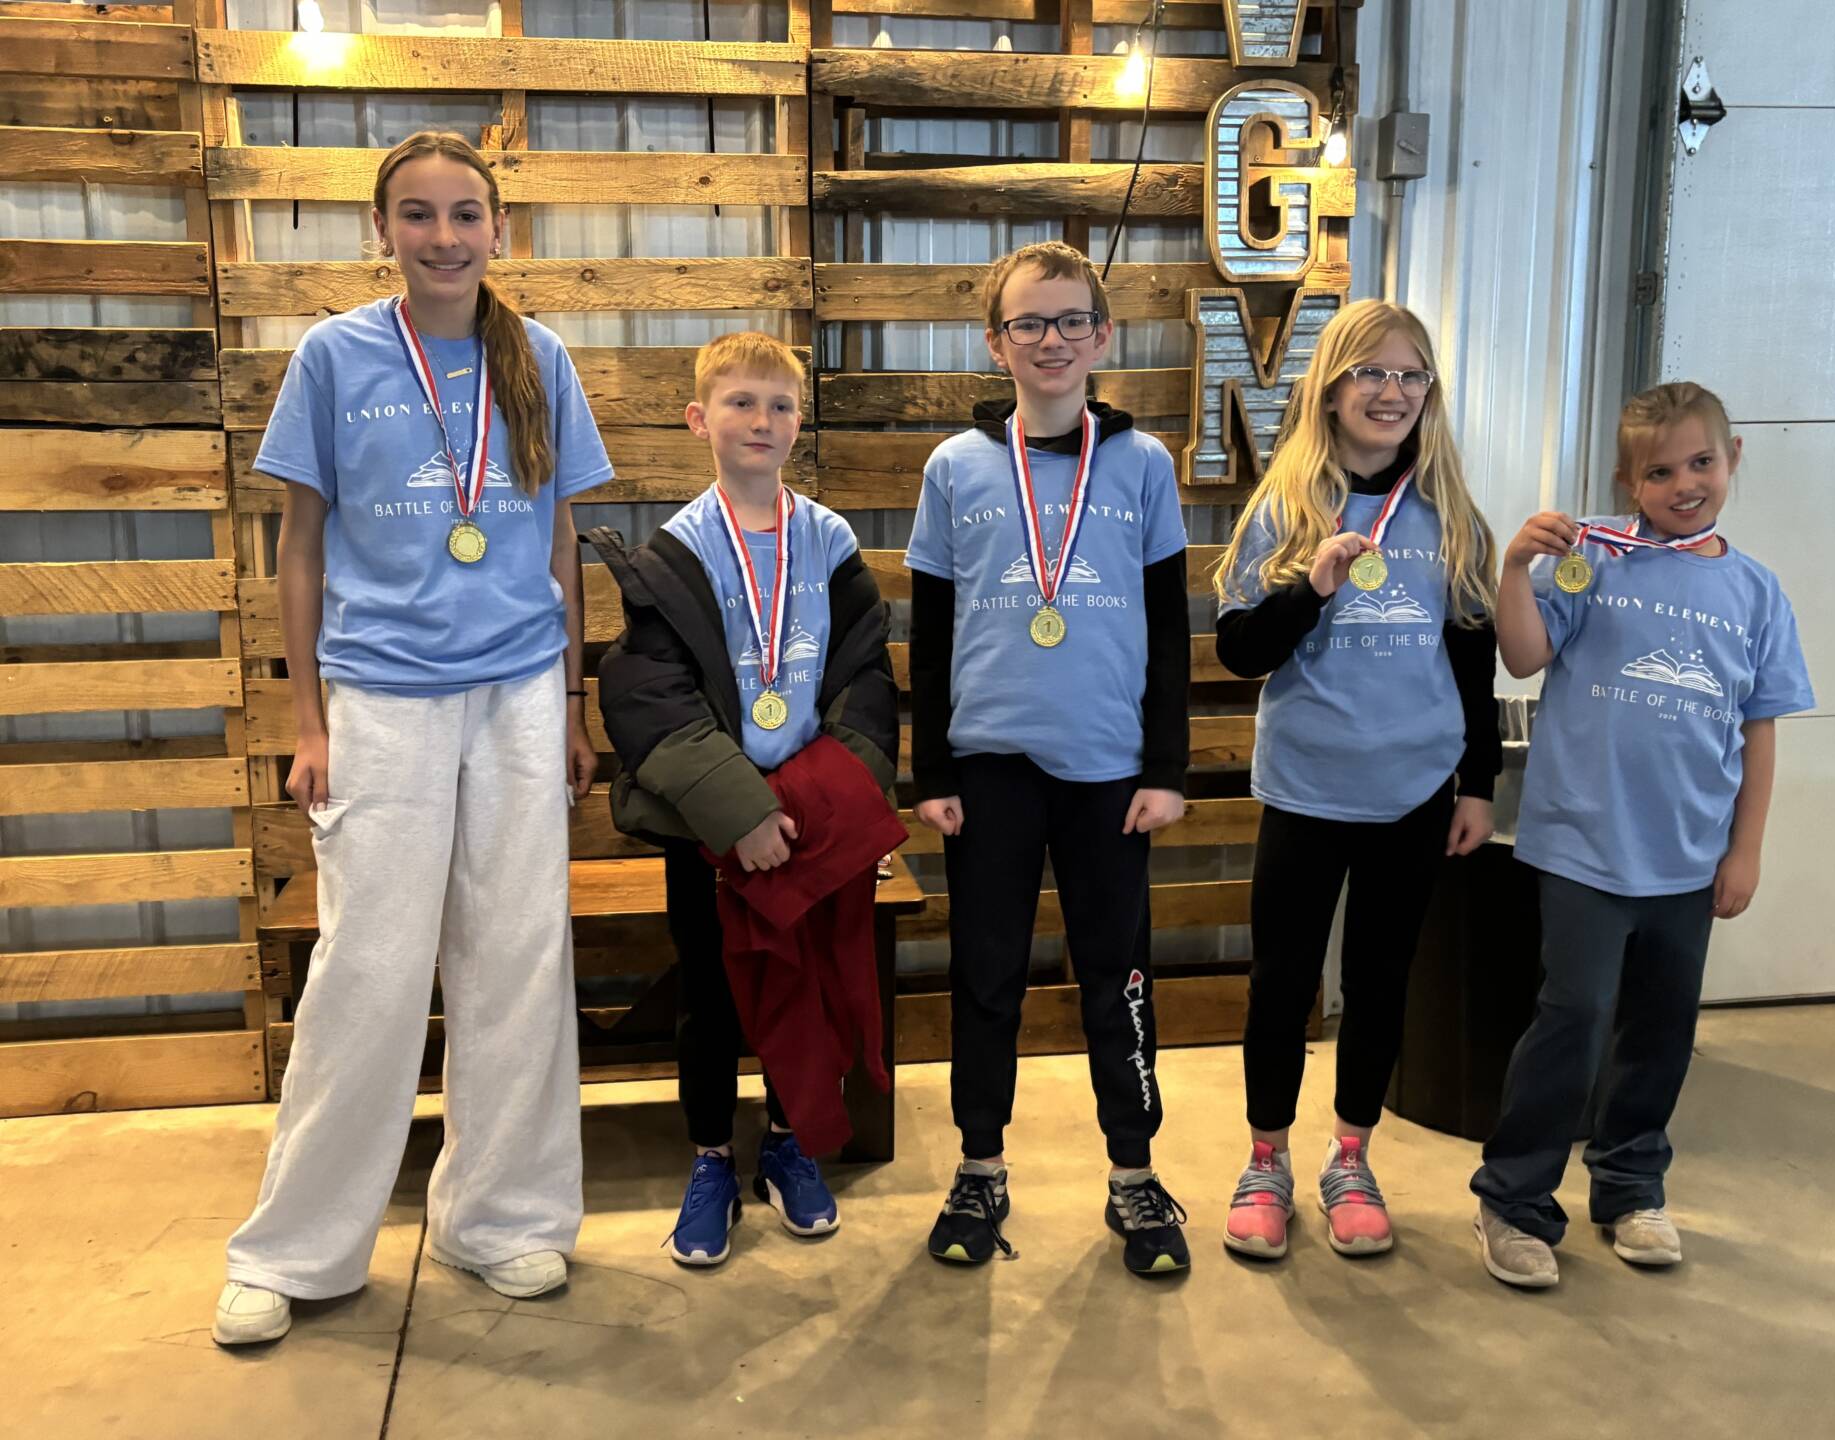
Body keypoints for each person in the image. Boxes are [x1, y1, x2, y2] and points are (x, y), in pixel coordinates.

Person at [214, 132, 610, 1346]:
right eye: (420, 214)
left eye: (466, 213)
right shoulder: (333, 356)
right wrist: (308, 720)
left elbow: (557, 545)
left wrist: (573, 701)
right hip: (381, 695)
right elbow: (298, 549)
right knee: (369, 970)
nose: (445, 236)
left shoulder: (540, 357)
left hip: (518, 693)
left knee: (517, 959)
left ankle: (504, 1218)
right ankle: (296, 1248)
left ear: (499, 228)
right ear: (381, 228)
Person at [1471, 381, 1815, 1288]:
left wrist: (1745, 850)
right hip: (1583, 846)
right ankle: (1512, 1198)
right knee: (1575, 1017)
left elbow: (1760, 729)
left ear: (1733, 459)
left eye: (1701, 463)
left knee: (1661, 1027)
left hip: (1689, 858)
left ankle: (1629, 1185)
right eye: (1659, 472)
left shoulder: (1756, 592)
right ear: (1629, 482)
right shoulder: (1590, 557)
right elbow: (1524, 655)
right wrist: (1516, 567)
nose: (1683, 484)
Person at [907, 241, 1193, 1276]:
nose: (1052, 339)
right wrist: (931, 771)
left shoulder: (1143, 464)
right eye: (1028, 322)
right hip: (989, 767)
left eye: (1072, 320)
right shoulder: (955, 467)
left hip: (1109, 771)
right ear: (997, 343)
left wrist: (1167, 767)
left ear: (1102, 336)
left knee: (1118, 977)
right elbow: (929, 627)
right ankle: (979, 1165)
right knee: (985, 977)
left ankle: (1134, 1172)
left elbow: (1170, 623)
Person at [591, 332, 898, 1268]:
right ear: (699, 420)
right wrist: (741, 815)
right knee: (713, 996)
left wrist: (809, 806)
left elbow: (864, 678)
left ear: (799, 423)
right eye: (740, 402)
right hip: (714, 830)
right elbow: (651, 694)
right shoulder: (675, 550)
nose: (761, 420)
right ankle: (713, 1158)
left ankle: (793, 1144)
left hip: (810, 823)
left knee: (808, 986)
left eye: (779, 405)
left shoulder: (829, 541)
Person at [1213, 299, 1502, 1260]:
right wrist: (1314, 586)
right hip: (1306, 789)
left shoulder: (1451, 516)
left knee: (1379, 982)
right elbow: (1241, 652)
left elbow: (1473, 658)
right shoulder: (1283, 510)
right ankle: (1266, 1159)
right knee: (1282, 982)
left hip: (1414, 793)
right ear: (1331, 390)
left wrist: (1476, 783)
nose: (1392, 391)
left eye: (1411, 375)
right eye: (1371, 372)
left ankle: (1351, 1156)